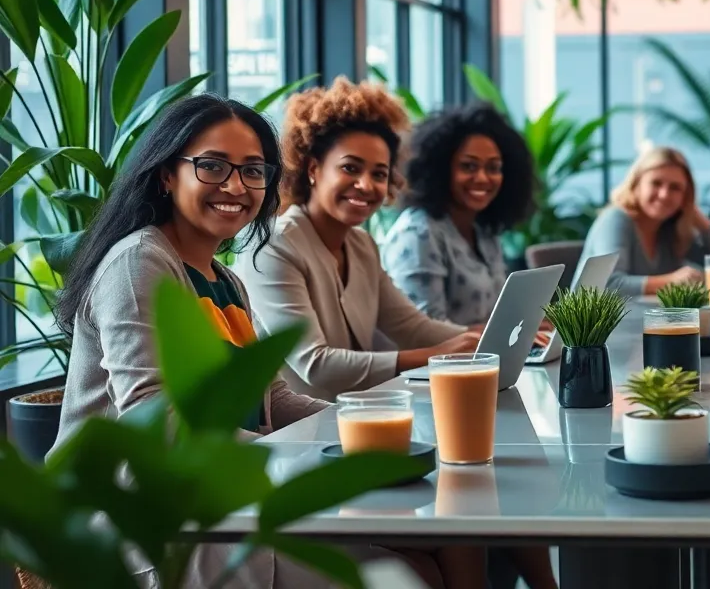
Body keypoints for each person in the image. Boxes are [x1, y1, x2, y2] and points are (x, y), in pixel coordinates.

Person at [48, 95, 456, 588]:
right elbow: (153, 418)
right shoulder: (140, 262)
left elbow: (272, 397)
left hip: (233, 504)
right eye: (213, 166)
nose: (236, 186)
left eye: (253, 170)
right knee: (407, 576)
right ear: (166, 174)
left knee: (436, 544)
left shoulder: (223, 279)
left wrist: (361, 427)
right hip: (154, 525)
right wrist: (288, 458)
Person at [235, 78, 481, 403]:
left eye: (379, 174)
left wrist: (486, 339)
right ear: (313, 169)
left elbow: (411, 326)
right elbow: (316, 365)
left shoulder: (362, 245)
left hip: (354, 418)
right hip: (295, 433)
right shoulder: (274, 246)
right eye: (350, 168)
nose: (366, 185)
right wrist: (435, 355)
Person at [382, 103, 534, 324]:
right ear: (441, 170)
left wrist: (526, 325)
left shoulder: (483, 231)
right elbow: (426, 331)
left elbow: (496, 318)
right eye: (469, 167)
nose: (483, 178)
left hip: (485, 356)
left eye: (493, 168)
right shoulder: (418, 234)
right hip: (440, 358)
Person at [580, 146, 710, 296]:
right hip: (590, 322)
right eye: (656, 183)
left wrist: (697, 217)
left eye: (675, 188)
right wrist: (670, 281)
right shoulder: (615, 219)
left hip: (645, 321)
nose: (664, 195)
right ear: (636, 185)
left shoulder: (671, 230)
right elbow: (606, 285)